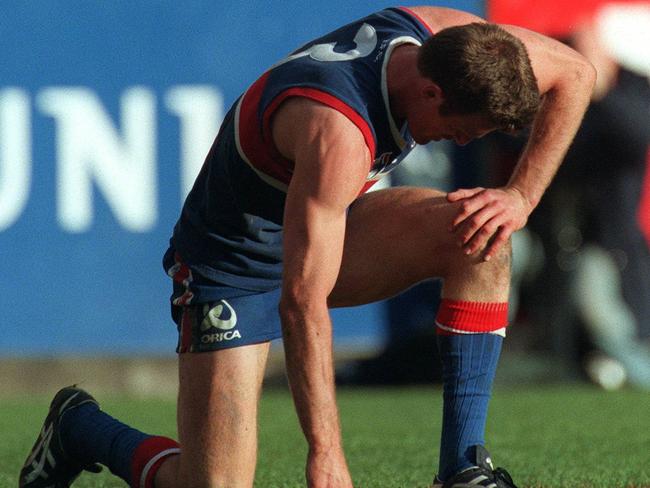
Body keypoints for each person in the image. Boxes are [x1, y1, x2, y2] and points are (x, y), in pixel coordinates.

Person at [19, 6, 595, 488]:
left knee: (483, 234)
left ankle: (462, 470)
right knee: (210, 484)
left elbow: (575, 74)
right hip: (235, 265)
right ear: (430, 90)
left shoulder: (452, 41)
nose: (464, 142)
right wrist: (326, 450)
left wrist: (520, 195)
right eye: (465, 129)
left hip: (329, 224)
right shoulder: (336, 128)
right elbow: (301, 301)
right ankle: (80, 428)